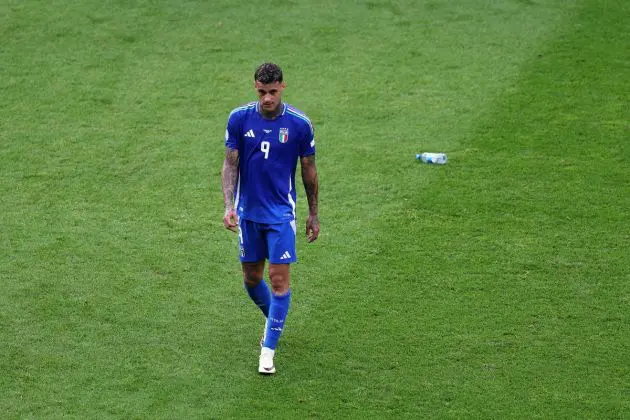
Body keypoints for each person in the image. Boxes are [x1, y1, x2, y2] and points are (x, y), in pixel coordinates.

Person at [221, 63, 320, 374]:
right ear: (255, 88)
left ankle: (268, 351)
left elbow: (309, 171)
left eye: (273, 92)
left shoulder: (300, 125)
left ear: (283, 87)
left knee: (278, 281)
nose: (267, 98)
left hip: (280, 215)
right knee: (252, 281)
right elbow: (230, 165)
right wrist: (228, 205)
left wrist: (313, 213)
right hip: (249, 213)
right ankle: (275, 320)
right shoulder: (238, 119)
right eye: (262, 92)